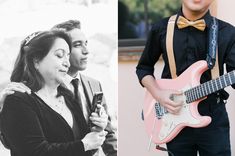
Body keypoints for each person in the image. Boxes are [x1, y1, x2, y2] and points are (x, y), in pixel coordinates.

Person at [0, 20, 117, 156]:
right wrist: (84, 144)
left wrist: (97, 130)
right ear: (36, 60)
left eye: (68, 55)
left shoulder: (67, 95)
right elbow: (34, 151)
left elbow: (87, 147)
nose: (67, 63)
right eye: (59, 55)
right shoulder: (18, 99)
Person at [136, 0, 235, 156]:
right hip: (173, 114)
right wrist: (158, 94)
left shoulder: (228, 32)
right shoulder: (160, 28)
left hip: (213, 117)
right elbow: (143, 68)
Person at [52, 20, 117, 156]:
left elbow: (109, 132)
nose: (86, 51)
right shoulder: (47, 88)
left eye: (86, 43)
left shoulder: (94, 84)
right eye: (77, 45)